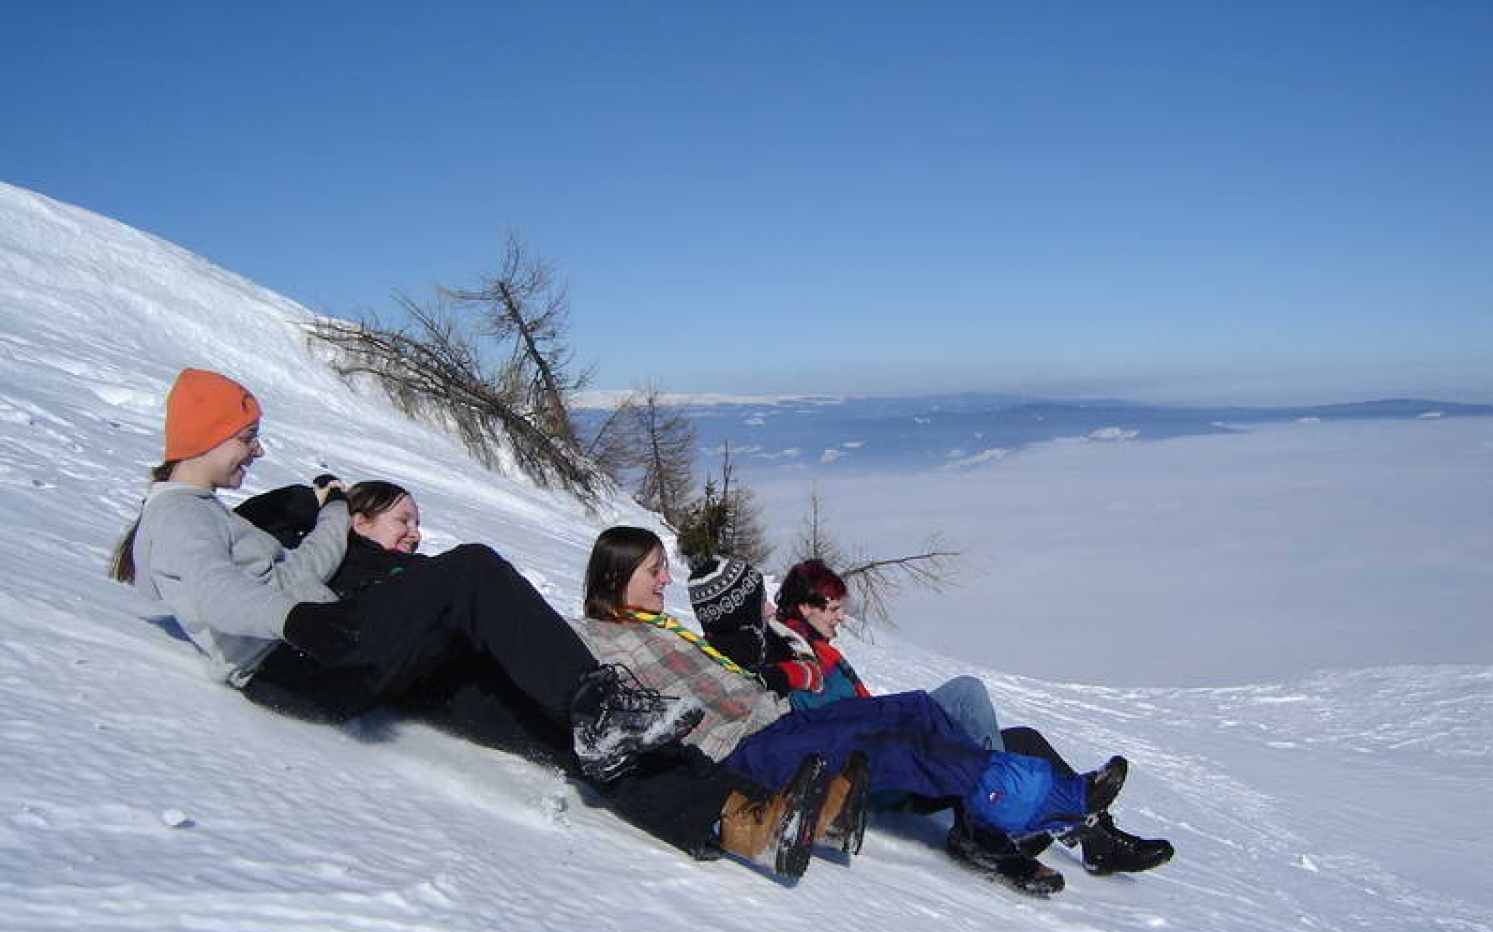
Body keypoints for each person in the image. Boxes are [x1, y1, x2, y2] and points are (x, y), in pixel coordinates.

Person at [109, 368, 824, 881]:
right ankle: (606, 707)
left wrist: (330, 511)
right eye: (248, 436)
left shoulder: (203, 515)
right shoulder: (174, 517)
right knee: (473, 569)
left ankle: (734, 816)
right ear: (208, 435)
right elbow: (213, 594)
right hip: (290, 664)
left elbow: (293, 578)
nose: (256, 450)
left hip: (318, 653)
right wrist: (294, 619)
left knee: (541, 707)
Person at [574, 527, 1134, 895]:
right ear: (613, 577)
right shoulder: (600, 638)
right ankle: (1040, 804)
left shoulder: (658, 630)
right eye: (654, 570)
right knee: (898, 736)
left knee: (913, 709)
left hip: (774, 723)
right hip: (745, 750)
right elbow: (617, 706)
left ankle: (1031, 806)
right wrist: (779, 673)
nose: (665, 579)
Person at [762, 558, 1175, 883]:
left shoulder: (813, 649)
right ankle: (984, 829)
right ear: (805, 607)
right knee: (966, 693)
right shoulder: (797, 654)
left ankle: (1096, 839)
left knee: (1025, 740)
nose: (839, 618)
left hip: (886, 746)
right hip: (881, 774)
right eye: (832, 609)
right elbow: (832, 726)